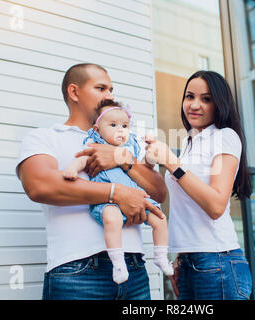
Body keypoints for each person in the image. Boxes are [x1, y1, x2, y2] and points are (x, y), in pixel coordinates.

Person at [16, 63, 166, 300]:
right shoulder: (45, 137)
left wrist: (122, 159)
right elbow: (40, 185)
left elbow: (159, 193)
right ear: (74, 92)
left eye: (112, 90)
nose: (110, 96)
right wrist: (116, 193)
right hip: (77, 273)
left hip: (135, 271)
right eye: (101, 88)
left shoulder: (126, 142)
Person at [144, 70, 253, 300]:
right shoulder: (188, 142)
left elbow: (215, 205)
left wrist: (171, 162)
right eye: (189, 96)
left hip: (218, 263)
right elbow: (187, 210)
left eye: (206, 99)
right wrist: (180, 257)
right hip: (189, 263)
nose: (194, 105)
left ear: (219, 104)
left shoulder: (225, 137)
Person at [63, 100, 174, 284]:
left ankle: (161, 256)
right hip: (108, 202)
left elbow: (144, 168)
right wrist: (73, 168)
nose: (120, 130)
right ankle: (118, 263)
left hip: (137, 198)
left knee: (160, 218)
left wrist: (150, 157)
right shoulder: (94, 146)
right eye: (113, 125)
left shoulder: (131, 147)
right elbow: (83, 160)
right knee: (112, 220)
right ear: (97, 130)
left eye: (124, 126)